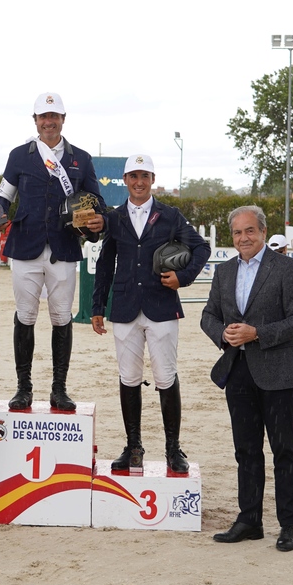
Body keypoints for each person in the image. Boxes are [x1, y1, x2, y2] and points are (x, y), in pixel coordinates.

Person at [201, 205, 293, 552]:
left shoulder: (286, 267)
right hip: (238, 372)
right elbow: (207, 315)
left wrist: (257, 333)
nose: (243, 238)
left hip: (278, 372)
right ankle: (249, 519)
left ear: (263, 232)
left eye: (250, 231)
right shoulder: (223, 272)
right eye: (237, 232)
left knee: (283, 450)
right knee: (246, 450)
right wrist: (224, 334)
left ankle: (288, 525)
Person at [90, 154, 209, 474]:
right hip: (126, 307)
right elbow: (104, 263)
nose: (139, 182)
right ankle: (133, 446)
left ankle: (173, 448)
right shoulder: (114, 218)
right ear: (125, 180)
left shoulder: (170, 215)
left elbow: (201, 248)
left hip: (162, 307)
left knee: (165, 377)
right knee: (128, 378)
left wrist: (182, 278)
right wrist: (97, 306)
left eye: (145, 176)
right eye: (133, 176)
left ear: (152, 179)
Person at [0, 92, 105, 412]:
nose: (49, 122)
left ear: (63, 119)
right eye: (43, 117)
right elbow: (2, 197)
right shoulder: (19, 156)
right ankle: (23, 388)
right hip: (26, 246)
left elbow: (97, 201)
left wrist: (98, 221)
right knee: (25, 316)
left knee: (61, 318)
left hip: (64, 249)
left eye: (54, 116)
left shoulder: (81, 158)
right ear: (35, 121)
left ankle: (59, 389)